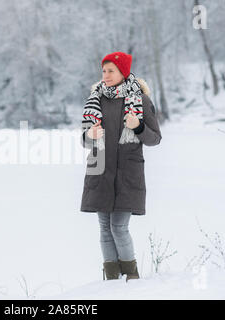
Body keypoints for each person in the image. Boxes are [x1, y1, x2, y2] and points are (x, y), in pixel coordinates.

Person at [79, 52, 162, 282]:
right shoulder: (95, 101)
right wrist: (90, 134)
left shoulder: (141, 100)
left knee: (119, 227)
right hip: (100, 171)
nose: (105, 75)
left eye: (111, 71)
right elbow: (84, 141)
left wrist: (138, 126)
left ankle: (132, 277)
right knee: (104, 228)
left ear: (123, 72)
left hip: (128, 174)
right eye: (103, 71)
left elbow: (155, 138)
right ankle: (112, 280)